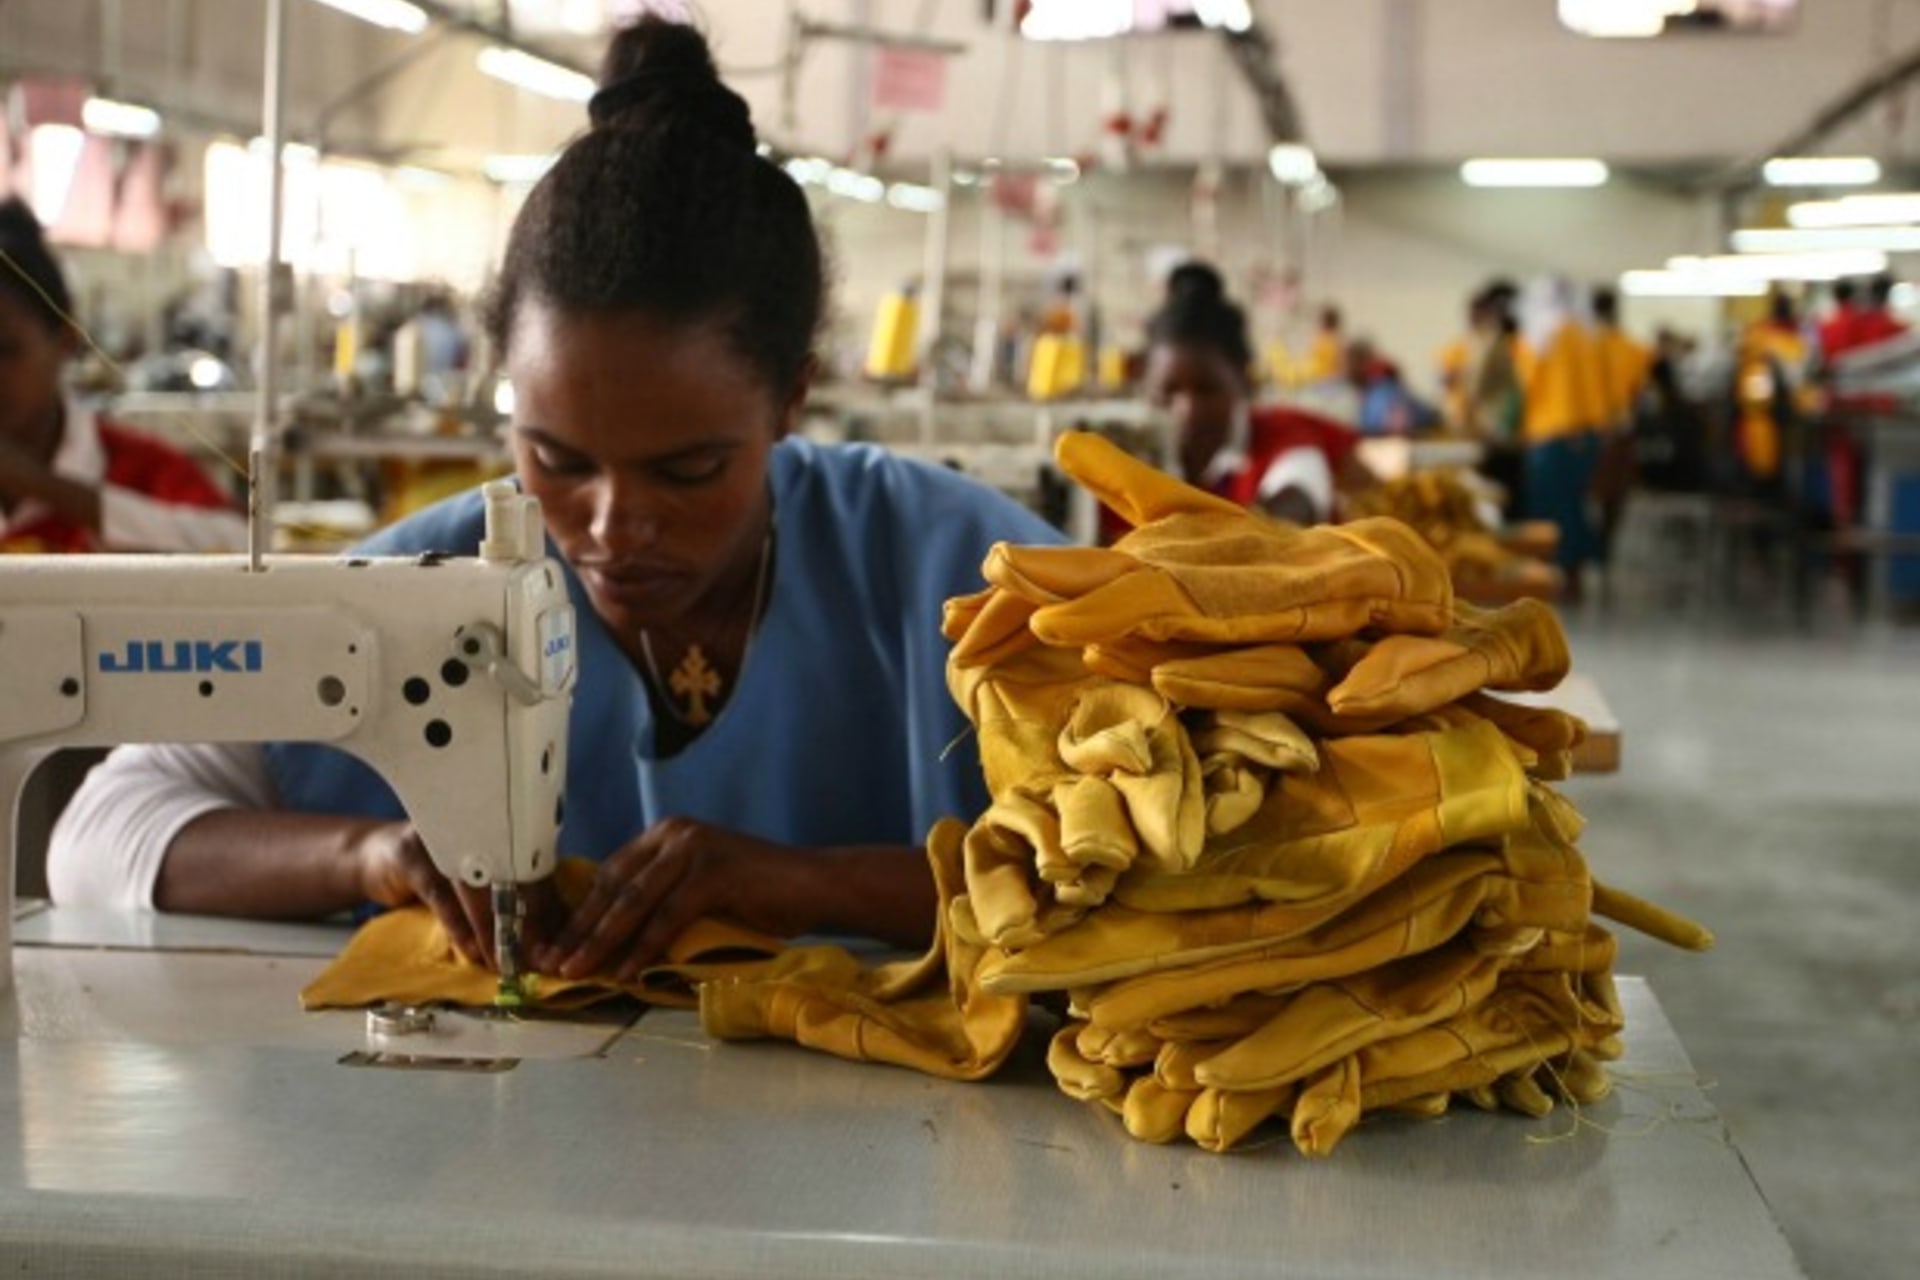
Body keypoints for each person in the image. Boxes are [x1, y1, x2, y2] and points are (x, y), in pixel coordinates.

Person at [47, 16, 1065, 982]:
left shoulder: (963, 566)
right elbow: (99, 835)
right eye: (557, 459)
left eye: (687, 471)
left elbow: (1155, 874)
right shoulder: (425, 579)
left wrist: (808, 885)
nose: (613, 527)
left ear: (792, 398)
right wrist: (372, 854)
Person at [0, 199, 246, 554]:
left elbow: (240, 543)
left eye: (5, 350)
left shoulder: (137, 466)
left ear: (66, 341)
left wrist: (45, 487)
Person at [1142, 261, 1371, 526]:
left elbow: (1295, 504)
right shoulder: (1138, 458)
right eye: (1168, 392)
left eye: (1207, 390)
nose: (1188, 409)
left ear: (1244, 382)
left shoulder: (1286, 438)